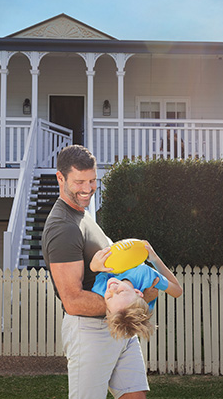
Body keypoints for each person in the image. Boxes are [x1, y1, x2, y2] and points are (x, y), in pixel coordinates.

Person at [42, 145, 157, 399]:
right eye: (79, 181)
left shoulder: (83, 216)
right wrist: (131, 303)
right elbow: (72, 300)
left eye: (92, 180)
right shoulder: (63, 227)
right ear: (60, 178)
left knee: (135, 396)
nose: (87, 188)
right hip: (90, 330)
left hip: (117, 325)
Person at [89, 240, 183, 340]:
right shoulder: (145, 276)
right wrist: (154, 259)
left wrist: (93, 267)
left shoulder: (100, 289)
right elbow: (177, 291)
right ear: (137, 292)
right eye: (121, 292)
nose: (112, 289)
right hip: (140, 309)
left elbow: (96, 270)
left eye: (108, 297)